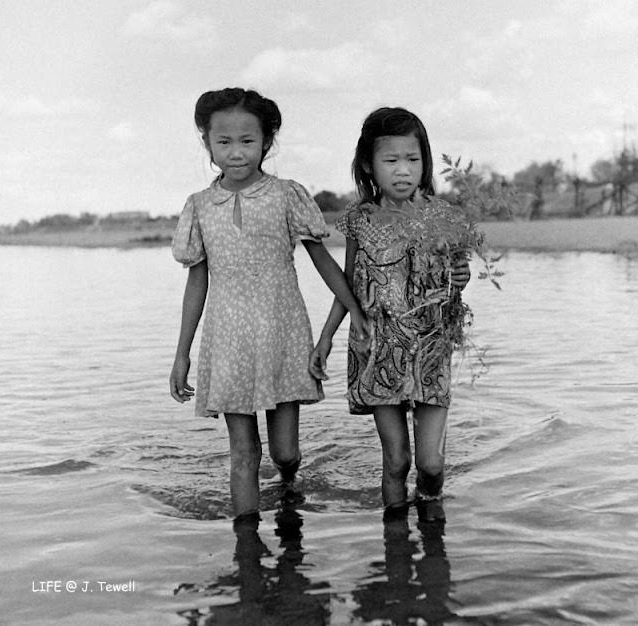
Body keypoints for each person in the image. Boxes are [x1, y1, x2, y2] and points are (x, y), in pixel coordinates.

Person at [169, 87, 367, 518]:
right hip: (228, 341)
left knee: (285, 451)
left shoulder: (285, 195)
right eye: (224, 142)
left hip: (283, 333)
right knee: (242, 454)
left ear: (266, 143)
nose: (235, 153)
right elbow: (196, 282)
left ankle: (290, 487)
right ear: (207, 143)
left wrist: (353, 310)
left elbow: (322, 261)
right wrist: (181, 353)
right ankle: (246, 554)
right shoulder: (200, 207)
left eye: (247, 141)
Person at [309, 107, 476, 517]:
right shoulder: (360, 220)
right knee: (398, 460)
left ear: (425, 162)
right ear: (369, 165)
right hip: (378, 349)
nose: (403, 170)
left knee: (431, 464)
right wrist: (327, 337)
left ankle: (433, 524)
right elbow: (347, 284)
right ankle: (396, 548)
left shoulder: (444, 217)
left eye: (413, 160)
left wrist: (462, 274)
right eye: (391, 160)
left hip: (432, 348)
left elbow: (455, 281)